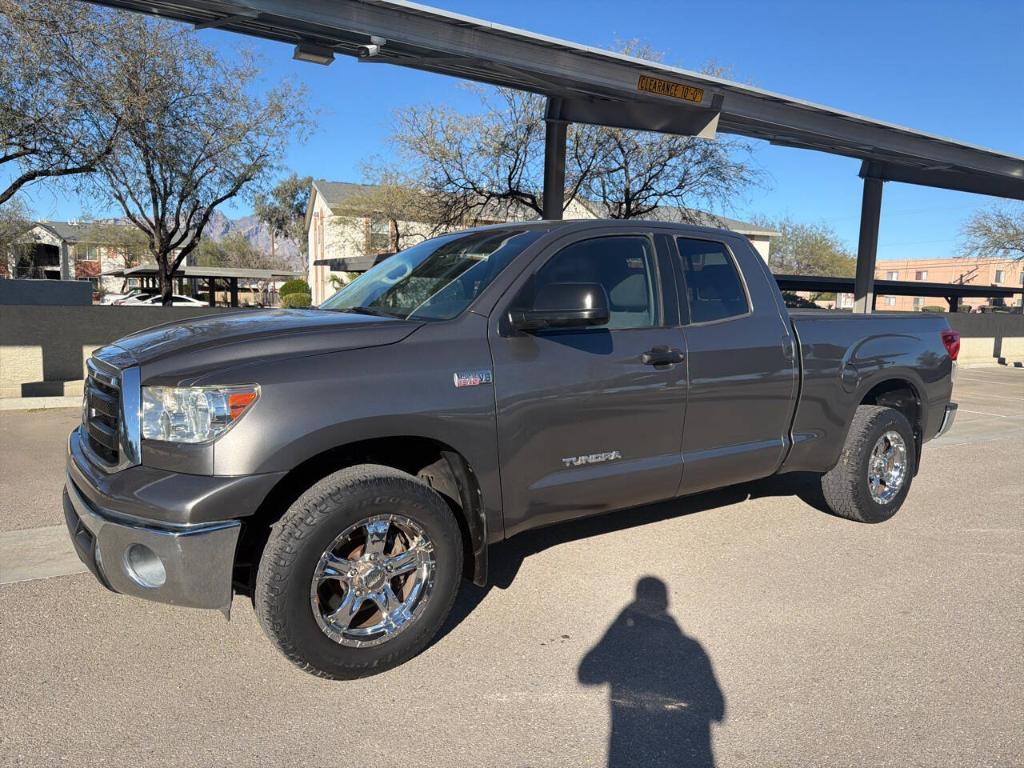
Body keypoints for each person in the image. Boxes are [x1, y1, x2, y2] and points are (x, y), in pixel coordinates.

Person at [578, 577, 725, 767]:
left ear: (635, 606)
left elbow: (586, 673)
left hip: (631, 758)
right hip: (682, 758)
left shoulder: (622, 650)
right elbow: (717, 709)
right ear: (666, 604)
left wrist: (617, 625)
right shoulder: (689, 649)